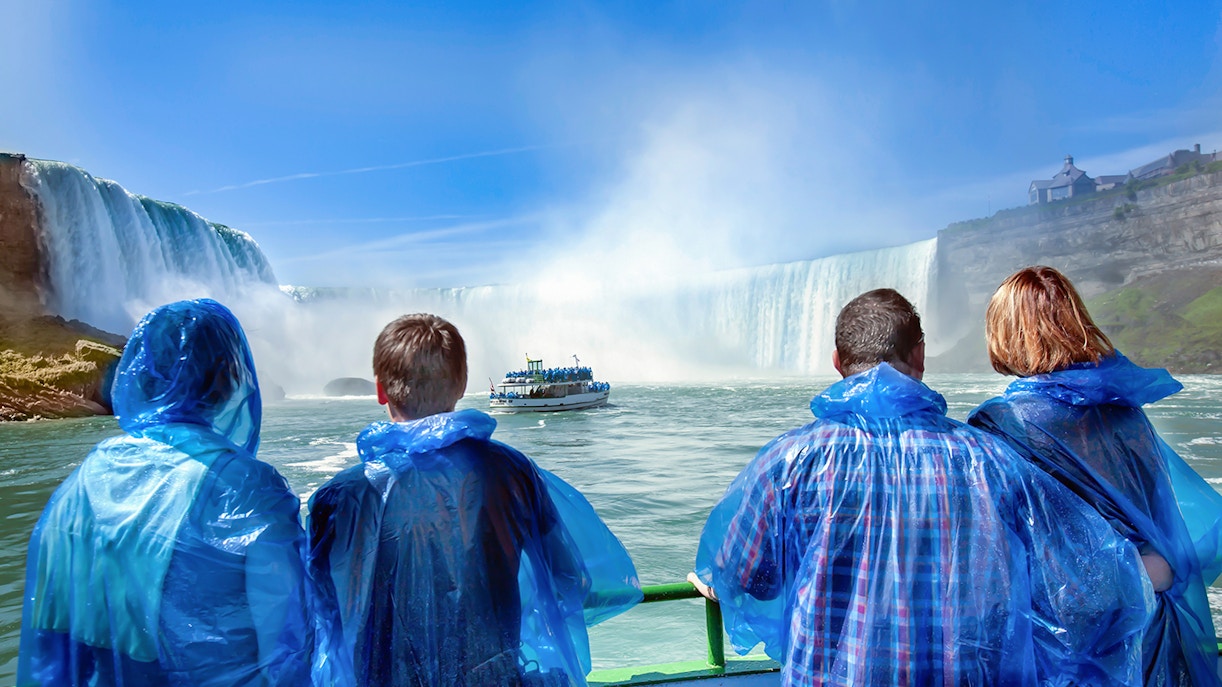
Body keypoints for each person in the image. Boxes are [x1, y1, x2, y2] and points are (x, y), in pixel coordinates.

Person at [691, 288, 1154, 686]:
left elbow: (742, 576)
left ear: (837, 362)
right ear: (919, 356)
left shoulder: (789, 460)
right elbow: (1080, 588)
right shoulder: (991, 460)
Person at [307, 313, 640, 687]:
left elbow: (317, 614)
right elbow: (571, 580)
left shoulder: (340, 497)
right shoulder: (512, 473)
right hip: (492, 677)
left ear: (381, 391)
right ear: (462, 384)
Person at [17, 299, 313, 687]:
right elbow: (287, 639)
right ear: (230, 378)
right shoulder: (249, 488)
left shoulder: (83, 481)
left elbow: (51, 635)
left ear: (141, 376)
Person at [967, 266, 1222, 687]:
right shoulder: (1127, 414)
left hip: (1059, 640)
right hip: (1146, 627)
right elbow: (1162, 527)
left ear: (1005, 333)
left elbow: (988, 554)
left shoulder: (1000, 424)